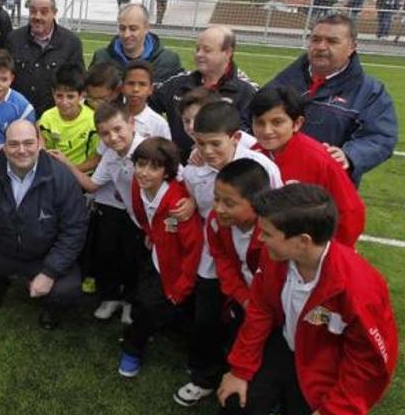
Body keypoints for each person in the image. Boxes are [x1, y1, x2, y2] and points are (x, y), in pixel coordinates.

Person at [217, 184, 398, 415]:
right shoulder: (276, 254)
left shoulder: (359, 288)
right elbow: (261, 311)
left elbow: (370, 360)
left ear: (302, 240)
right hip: (284, 345)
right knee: (234, 404)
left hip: (328, 363)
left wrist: (335, 412)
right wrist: (241, 369)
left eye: (267, 233)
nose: (260, 240)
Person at [174, 102, 281, 407]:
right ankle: (204, 376)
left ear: (235, 138)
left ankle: (260, 396)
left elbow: (274, 217)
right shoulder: (195, 169)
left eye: (215, 144)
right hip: (218, 246)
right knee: (206, 313)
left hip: (258, 255)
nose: (207, 151)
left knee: (258, 322)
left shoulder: (262, 168)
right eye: (200, 143)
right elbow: (199, 203)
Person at [0, 120, 88, 330]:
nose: (21, 150)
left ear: (39, 143)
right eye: (13, 144)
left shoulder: (61, 178)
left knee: (67, 291)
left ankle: (50, 308)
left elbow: (75, 229)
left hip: (44, 255)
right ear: (4, 146)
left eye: (28, 143)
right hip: (2, 250)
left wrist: (50, 272)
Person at [269, 14, 397, 185]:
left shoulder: (369, 92)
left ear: (352, 47)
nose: (321, 47)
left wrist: (350, 155)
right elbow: (251, 117)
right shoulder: (285, 80)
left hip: (326, 192)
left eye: (332, 41)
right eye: (316, 39)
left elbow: (380, 137)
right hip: (275, 184)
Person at [49, 102, 147, 324]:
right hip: (125, 213)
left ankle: (130, 302)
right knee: (110, 254)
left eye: (117, 129)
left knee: (135, 261)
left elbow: (174, 178)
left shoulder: (148, 150)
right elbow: (92, 185)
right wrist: (66, 163)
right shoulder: (111, 156)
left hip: (149, 220)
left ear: (131, 123)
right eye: (105, 133)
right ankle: (111, 298)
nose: (112, 137)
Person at [203, 159, 275, 415]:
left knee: (268, 357)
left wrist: (253, 302)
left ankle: (264, 409)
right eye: (216, 199)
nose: (219, 208)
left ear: (256, 204)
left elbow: (275, 283)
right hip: (243, 300)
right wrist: (242, 297)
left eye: (229, 203)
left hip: (272, 309)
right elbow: (223, 261)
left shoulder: (275, 234)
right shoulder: (216, 222)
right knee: (236, 345)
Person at [117, 137, 203, 378]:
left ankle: (137, 349)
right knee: (145, 302)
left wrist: (182, 287)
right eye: (141, 164)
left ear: (167, 172)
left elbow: (192, 248)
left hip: (178, 267)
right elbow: (142, 214)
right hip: (158, 255)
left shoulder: (178, 203)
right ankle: (135, 345)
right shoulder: (138, 184)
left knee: (171, 307)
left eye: (154, 167)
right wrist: (151, 234)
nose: (144, 173)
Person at [250, 86, 365, 248]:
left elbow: (351, 211)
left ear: (297, 123)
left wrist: (328, 253)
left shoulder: (320, 160)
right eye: (260, 123)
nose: (267, 131)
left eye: (277, 122)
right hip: (267, 250)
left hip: (305, 254)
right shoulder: (252, 155)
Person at [150, 26, 257, 161]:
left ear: (228, 53)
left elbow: (254, 139)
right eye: (197, 49)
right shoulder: (177, 84)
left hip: (224, 173)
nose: (199, 54)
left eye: (207, 50)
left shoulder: (247, 92)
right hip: (178, 171)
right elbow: (145, 107)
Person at [6, 0, 84, 118]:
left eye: (44, 12)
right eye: (33, 11)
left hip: (56, 119)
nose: (37, 16)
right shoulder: (13, 39)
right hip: (18, 115)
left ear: (54, 13)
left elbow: (78, 83)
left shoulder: (71, 43)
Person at [89, 4, 184, 87]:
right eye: (122, 28)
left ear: (146, 28)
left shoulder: (168, 60)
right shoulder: (102, 57)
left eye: (133, 29)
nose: (126, 34)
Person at [37, 63, 97, 172]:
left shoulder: (93, 121)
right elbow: (45, 151)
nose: (64, 102)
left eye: (70, 96)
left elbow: (96, 160)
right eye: (59, 96)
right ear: (53, 93)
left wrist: (71, 170)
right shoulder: (47, 118)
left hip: (83, 175)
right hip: (56, 173)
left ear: (82, 95)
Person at [121, 61, 169, 141]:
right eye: (130, 83)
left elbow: (166, 152)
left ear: (150, 89)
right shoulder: (111, 116)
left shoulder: (159, 124)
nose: (135, 89)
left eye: (142, 84)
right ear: (122, 87)